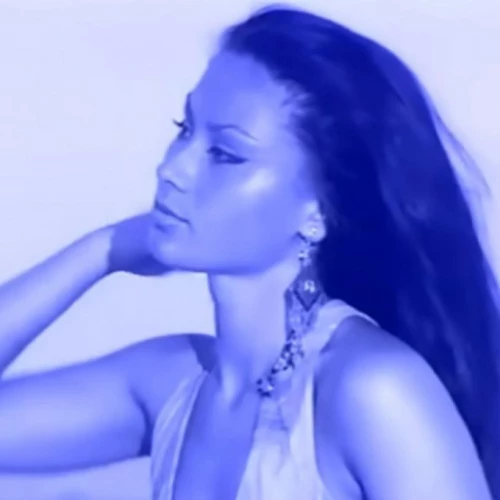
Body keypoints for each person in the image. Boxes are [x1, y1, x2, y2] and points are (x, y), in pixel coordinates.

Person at [0, 5, 498, 500]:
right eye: (184, 128)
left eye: (225, 154)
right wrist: (102, 251)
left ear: (318, 209)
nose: (172, 169)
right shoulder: (175, 382)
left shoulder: (372, 389)